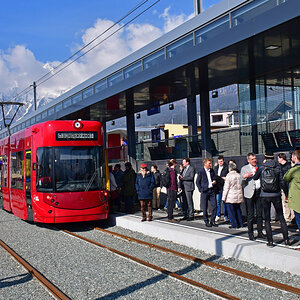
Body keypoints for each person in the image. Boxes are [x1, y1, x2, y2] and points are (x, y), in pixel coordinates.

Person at [251, 151, 290, 247]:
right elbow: (282, 182)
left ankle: (270, 241)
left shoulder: (261, 167)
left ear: (265, 157)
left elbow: (255, 178)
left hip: (264, 195)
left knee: (267, 219)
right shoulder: (277, 167)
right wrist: (286, 194)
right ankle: (286, 239)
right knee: (281, 217)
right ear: (273, 157)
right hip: (276, 194)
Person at [240, 153, 264, 241]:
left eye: (255, 159)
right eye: (252, 159)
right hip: (249, 193)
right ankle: (250, 233)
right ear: (248, 160)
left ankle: (260, 232)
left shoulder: (259, 167)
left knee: (259, 214)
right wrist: (244, 177)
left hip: (258, 192)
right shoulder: (244, 168)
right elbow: (240, 183)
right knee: (250, 215)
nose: (254, 160)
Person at [196, 158, 218, 227]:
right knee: (205, 207)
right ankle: (206, 221)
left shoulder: (211, 171)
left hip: (211, 190)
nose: (210, 165)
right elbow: (197, 182)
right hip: (205, 191)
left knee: (214, 205)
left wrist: (214, 181)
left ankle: (212, 220)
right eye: (209, 163)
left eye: (210, 163)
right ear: (205, 164)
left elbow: (214, 177)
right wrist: (201, 189)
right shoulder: (201, 171)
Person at [222, 163, 244, 229]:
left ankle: (234, 224)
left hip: (231, 196)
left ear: (230, 168)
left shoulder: (229, 176)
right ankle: (240, 223)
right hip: (238, 195)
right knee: (238, 209)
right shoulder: (239, 175)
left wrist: (223, 198)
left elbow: (226, 188)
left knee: (231, 211)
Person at [283, 150, 300, 236]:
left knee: (299, 221)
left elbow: (285, 177)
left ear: (295, 158)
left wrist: (292, 167)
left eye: (292, 156)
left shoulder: (294, 170)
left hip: (297, 200)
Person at [277, 153, 294, 223]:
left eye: (278, 158)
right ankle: (292, 217)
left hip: (286, 187)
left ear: (281, 158)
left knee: (286, 203)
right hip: (288, 187)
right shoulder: (289, 165)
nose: (277, 160)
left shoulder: (280, 167)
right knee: (289, 203)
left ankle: (288, 217)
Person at [213, 155, 229, 222]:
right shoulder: (216, 168)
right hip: (217, 186)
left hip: (224, 186)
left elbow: (227, 176)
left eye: (221, 161)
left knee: (224, 201)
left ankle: (225, 215)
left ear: (223, 161)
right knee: (218, 201)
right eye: (219, 161)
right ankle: (218, 215)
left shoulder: (226, 167)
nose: (220, 163)